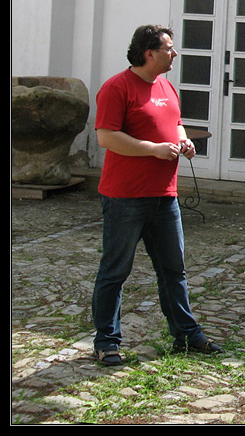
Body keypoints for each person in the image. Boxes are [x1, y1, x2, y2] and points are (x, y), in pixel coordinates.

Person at [91, 24, 221, 366]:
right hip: (125, 197)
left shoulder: (166, 87)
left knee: (173, 270)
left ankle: (187, 335)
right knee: (115, 271)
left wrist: (183, 141)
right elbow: (106, 137)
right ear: (148, 53)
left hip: (165, 196)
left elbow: (175, 123)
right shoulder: (116, 88)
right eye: (168, 48)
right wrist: (153, 149)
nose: (174, 53)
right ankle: (106, 342)